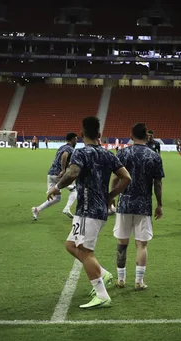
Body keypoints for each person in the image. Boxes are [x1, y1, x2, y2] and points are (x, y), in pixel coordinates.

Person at [47, 116, 131, 309]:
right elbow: (126, 177)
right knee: (70, 245)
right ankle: (102, 273)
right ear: (99, 135)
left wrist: (57, 187)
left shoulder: (81, 153)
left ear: (82, 134)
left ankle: (102, 295)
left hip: (87, 210)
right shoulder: (108, 155)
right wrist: (110, 196)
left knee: (85, 252)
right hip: (98, 210)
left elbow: (73, 173)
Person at [112, 123, 164, 291]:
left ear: (131, 135)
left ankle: (121, 280)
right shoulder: (154, 156)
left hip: (124, 203)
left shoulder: (123, 152)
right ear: (146, 135)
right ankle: (139, 281)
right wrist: (159, 204)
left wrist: (112, 196)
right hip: (144, 204)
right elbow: (158, 183)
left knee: (122, 242)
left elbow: (115, 178)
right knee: (142, 245)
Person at [32, 132, 78, 221]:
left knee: (57, 198)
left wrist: (66, 166)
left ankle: (37, 210)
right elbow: (65, 155)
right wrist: (63, 169)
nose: (77, 140)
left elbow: (59, 159)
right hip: (58, 175)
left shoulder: (62, 147)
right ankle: (67, 208)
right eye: (76, 138)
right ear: (72, 139)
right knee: (74, 189)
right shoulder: (70, 149)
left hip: (50, 174)